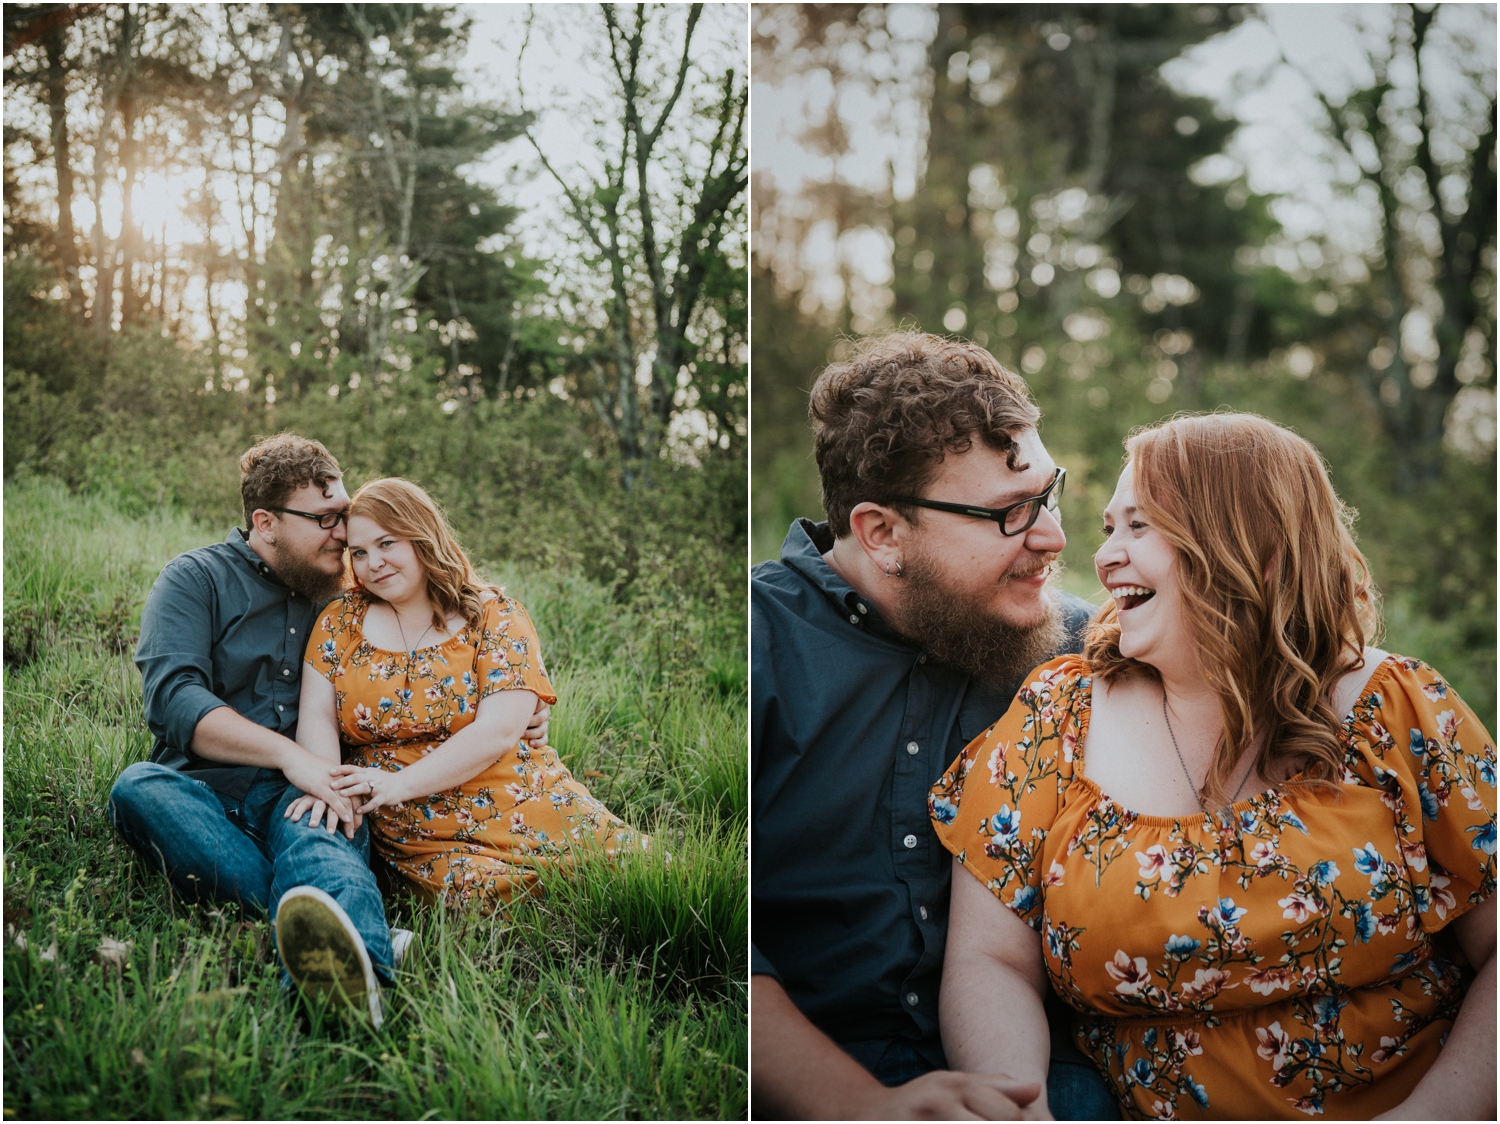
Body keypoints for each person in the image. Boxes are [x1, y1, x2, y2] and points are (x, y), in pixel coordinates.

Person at [931, 413, 1496, 1119]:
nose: (1105, 557)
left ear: (1248, 542)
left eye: (1139, 527)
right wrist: (1022, 1106)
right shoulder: (1054, 721)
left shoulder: (1395, 709)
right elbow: (990, 964)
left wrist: (1435, 1115)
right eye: (1110, 529)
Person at [752, 332, 1117, 1119]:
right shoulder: (754, 643)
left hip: (1055, 1078)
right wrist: (857, 1105)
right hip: (813, 1084)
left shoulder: (1087, 656)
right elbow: (715, 934)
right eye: (1008, 513)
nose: (1052, 537)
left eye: (1048, 496)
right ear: (882, 532)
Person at [109, 435, 397, 1024]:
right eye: (324, 519)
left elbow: (426, 658)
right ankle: (360, 928)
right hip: (201, 791)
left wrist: (519, 707)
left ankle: (351, 984)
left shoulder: (352, 597)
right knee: (137, 788)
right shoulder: (195, 580)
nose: (342, 534)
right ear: (265, 522)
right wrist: (290, 756)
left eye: (342, 514)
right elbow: (173, 700)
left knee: (319, 829)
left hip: (305, 789)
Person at [294, 477, 643, 908]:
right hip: (415, 826)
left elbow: (498, 731)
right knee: (503, 897)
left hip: (520, 794)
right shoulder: (339, 621)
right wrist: (330, 785)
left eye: (387, 543)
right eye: (359, 553)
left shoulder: (495, 615)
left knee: (641, 871)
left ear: (422, 536)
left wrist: (398, 783)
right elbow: (316, 716)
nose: (373, 563)